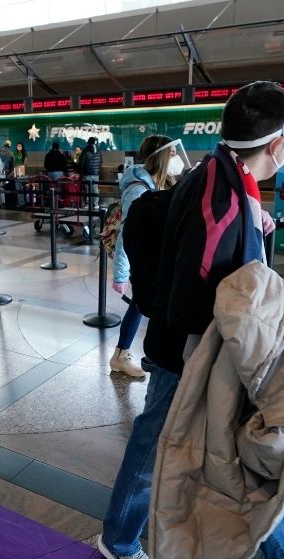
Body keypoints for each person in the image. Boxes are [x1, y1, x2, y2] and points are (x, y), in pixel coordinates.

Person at [97, 81, 284, 559]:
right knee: (156, 449)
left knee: (244, 451)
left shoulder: (220, 174)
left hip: (214, 354)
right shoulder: (225, 201)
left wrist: (252, 221)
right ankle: (119, 543)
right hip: (194, 357)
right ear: (277, 145)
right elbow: (189, 301)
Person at [108, 135, 177, 378]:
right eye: (172, 153)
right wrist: (121, 274)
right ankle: (124, 355)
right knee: (143, 304)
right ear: (161, 157)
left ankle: (123, 355)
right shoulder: (138, 189)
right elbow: (125, 233)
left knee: (141, 305)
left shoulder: (156, 183)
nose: (177, 157)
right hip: (145, 260)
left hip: (153, 257)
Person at [80, 137, 103, 209]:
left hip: (87, 173)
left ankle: (88, 203)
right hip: (96, 173)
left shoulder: (85, 150)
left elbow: (82, 162)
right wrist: (98, 169)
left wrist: (81, 170)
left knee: (87, 189)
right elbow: (101, 161)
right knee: (95, 188)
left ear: (88, 142)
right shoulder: (98, 150)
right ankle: (96, 204)